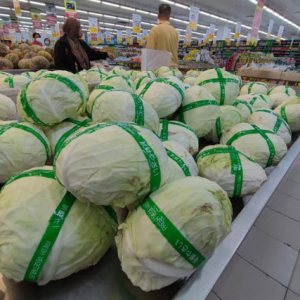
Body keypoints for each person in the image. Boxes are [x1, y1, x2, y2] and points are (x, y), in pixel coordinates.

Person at [146, 4, 179, 68]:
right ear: (169, 15)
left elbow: (149, 53)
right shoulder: (175, 31)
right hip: (174, 70)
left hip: (160, 70)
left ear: (158, 15)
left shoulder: (155, 30)